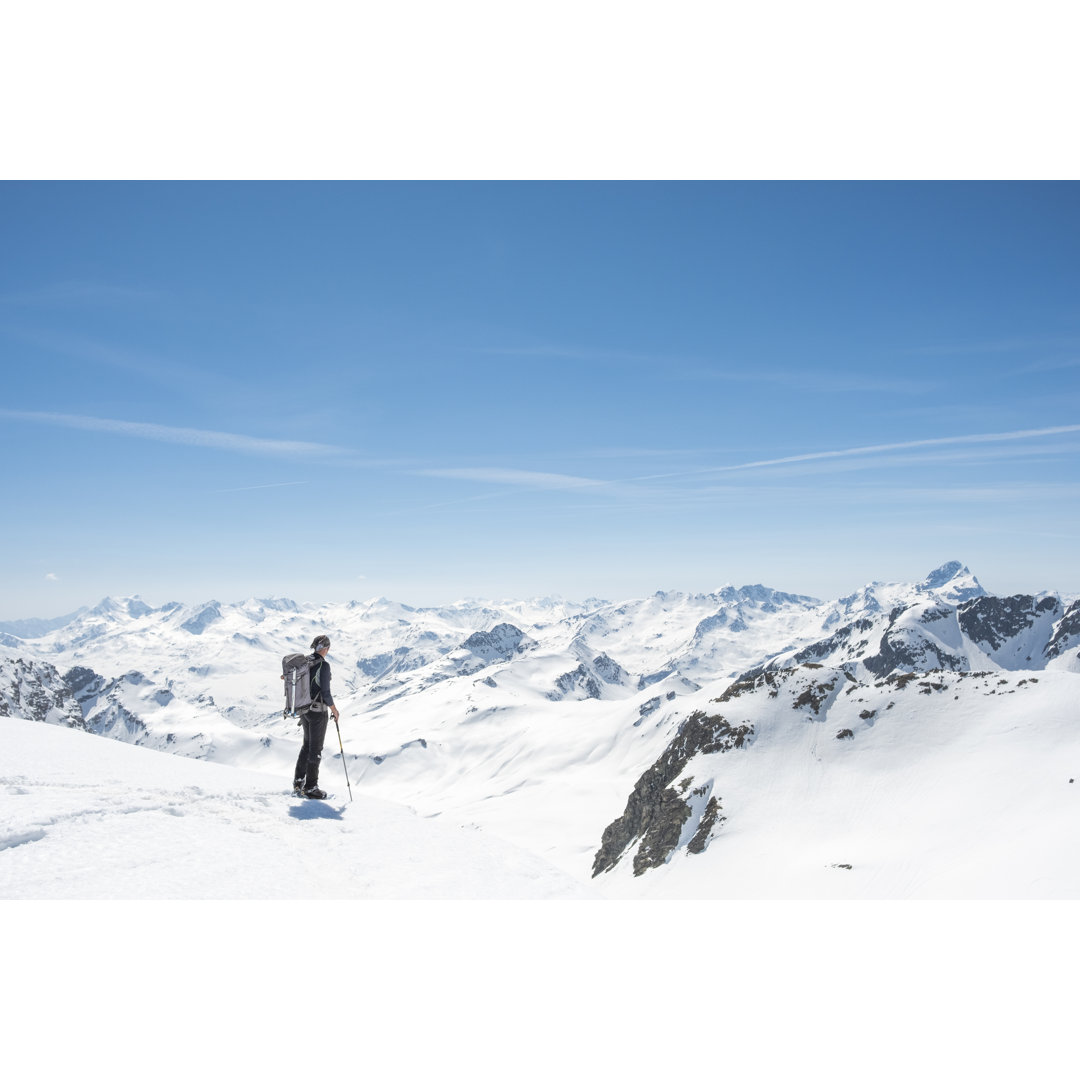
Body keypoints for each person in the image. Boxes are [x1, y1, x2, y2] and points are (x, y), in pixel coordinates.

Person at [293, 634, 340, 799]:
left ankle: (298, 783)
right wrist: (334, 709)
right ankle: (311, 787)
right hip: (318, 712)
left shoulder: (305, 662)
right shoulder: (323, 666)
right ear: (326, 648)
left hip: (304, 711)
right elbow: (326, 692)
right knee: (315, 749)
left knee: (306, 746)